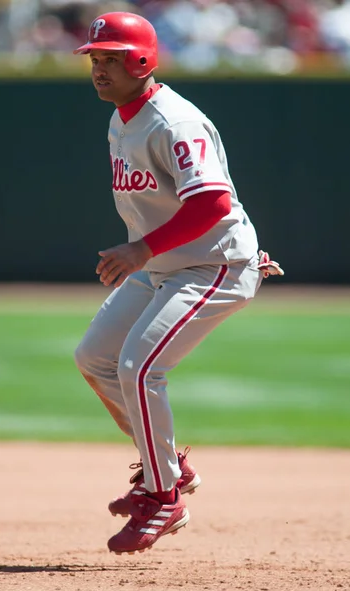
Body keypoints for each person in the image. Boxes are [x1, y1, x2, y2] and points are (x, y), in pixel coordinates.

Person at [73, 11, 284, 556]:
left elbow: (213, 202)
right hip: (164, 266)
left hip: (215, 266)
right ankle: (165, 467)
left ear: (141, 60)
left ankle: (163, 498)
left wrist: (140, 248)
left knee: (140, 367)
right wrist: (146, 255)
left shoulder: (175, 122)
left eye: (111, 58)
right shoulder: (123, 115)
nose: (99, 68)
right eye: (96, 58)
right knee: (95, 357)